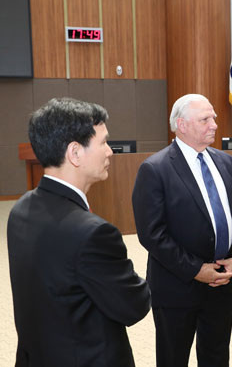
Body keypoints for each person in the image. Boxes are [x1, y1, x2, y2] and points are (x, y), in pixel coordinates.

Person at [7, 98, 150, 367]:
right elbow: (134, 306)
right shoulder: (94, 234)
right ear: (75, 153)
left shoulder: (21, 210)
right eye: (103, 142)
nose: (110, 152)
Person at [132, 93, 232, 367]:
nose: (214, 125)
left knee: (217, 357)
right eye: (205, 119)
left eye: (213, 118)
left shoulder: (225, 161)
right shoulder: (155, 169)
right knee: (173, 359)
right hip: (177, 287)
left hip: (221, 282)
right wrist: (196, 269)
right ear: (181, 125)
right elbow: (152, 234)